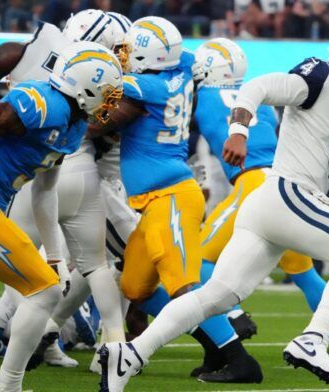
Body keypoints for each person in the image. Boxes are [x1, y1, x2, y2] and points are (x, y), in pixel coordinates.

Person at [99, 21, 329, 391]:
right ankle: (314, 339)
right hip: (288, 192)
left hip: (270, 204)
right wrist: (239, 131)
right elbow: (257, 86)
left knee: (215, 296)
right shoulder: (321, 76)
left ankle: (131, 354)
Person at [89, 16, 263, 385]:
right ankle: (215, 345)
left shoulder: (142, 86)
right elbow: (182, 57)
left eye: (132, 50)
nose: (125, 56)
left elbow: (101, 119)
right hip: (153, 201)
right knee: (135, 288)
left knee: (185, 287)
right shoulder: (182, 67)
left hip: (171, 195)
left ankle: (239, 358)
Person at [0, 11, 130, 370]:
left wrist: (56, 256)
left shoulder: (72, 126)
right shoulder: (45, 102)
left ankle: (4, 353)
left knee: (46, 283)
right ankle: (7, 376)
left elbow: (45, 191)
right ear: (87, 85)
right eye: (108, 92)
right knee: (46, 290)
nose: (112, 102)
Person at [192, 38, 329, 377]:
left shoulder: (204, 97)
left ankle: (234, 316)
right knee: (305, 275)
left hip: (254, 186)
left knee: (197, 261)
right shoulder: (262, 106)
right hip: (284, 184)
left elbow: (193, 147)